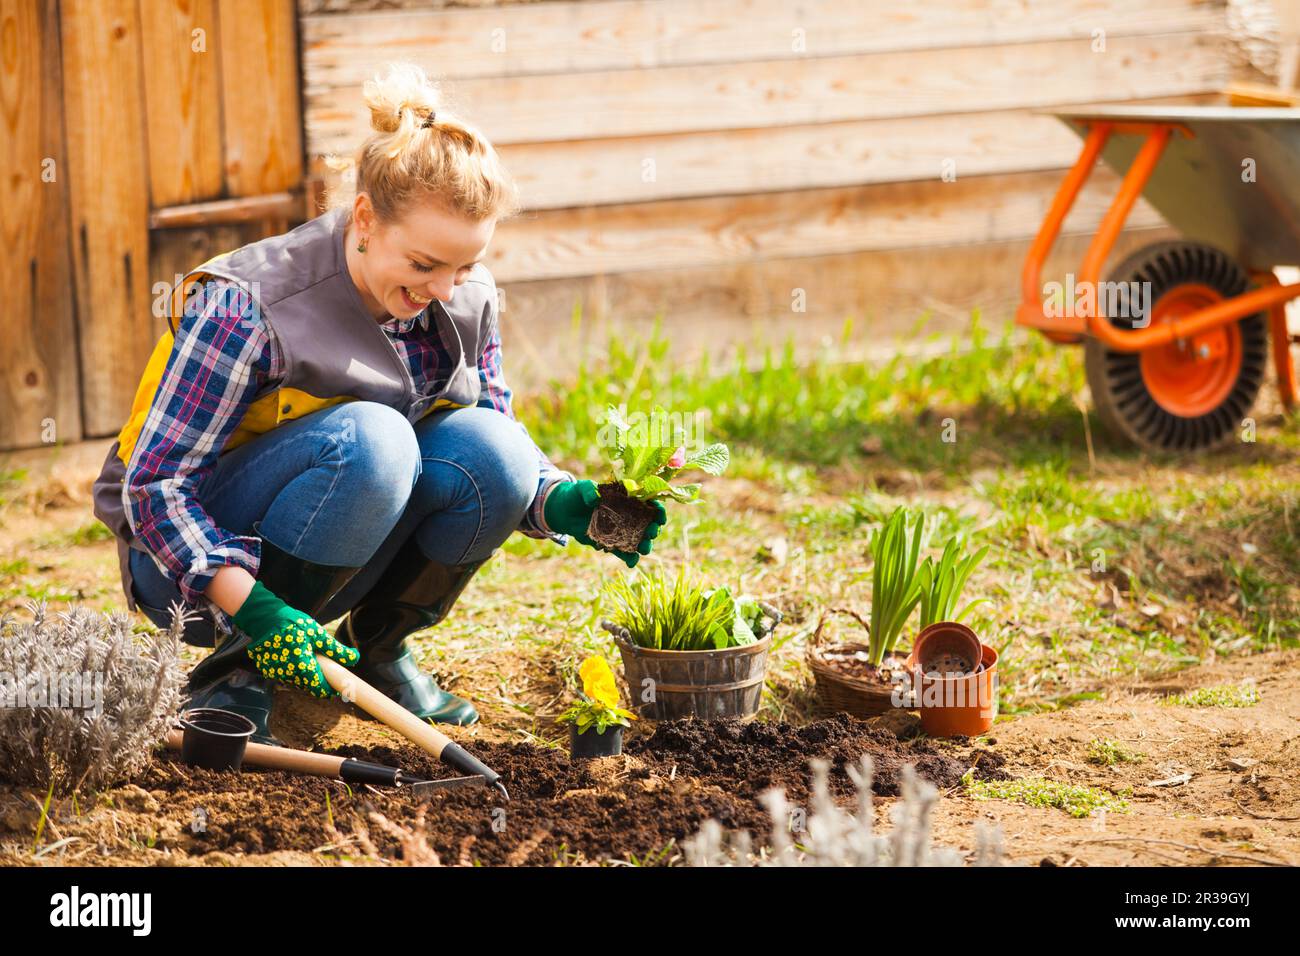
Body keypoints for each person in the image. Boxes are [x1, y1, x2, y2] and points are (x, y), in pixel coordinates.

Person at [91, 62, 666, 745]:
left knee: (494, 450)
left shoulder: (461, 295)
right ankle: (236, 668)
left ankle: (379, 649)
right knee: (376, 440)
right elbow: (153, 488)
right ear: (364, 217)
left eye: (464, 266)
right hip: (187, 574)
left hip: (344, 541)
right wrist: (258, 609)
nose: (446, 288)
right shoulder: (249, 305)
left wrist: (566, 504)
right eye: (424, 265)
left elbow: (494, 438)